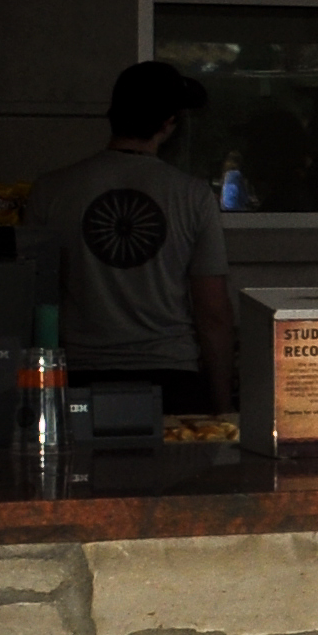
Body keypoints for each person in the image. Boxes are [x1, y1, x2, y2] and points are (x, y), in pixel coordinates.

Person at [25, 62, 233, 413]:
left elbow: (36, 300)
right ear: (169, 123)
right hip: (172, 378)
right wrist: (223, 405)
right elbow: (212, 314)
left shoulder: (50, 191)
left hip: (79, 378)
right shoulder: (193, 196)